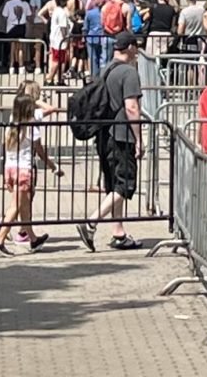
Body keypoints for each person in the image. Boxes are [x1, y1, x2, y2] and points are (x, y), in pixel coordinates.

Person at [79, 32, 148, 252]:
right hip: (121, 134)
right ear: (129, 48)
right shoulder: (129, 73)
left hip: (104, 133)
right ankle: (91, 222)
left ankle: (118, 232)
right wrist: (139, 138)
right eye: (136, 47)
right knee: (126, 183)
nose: (137, 51)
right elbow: (132, 107)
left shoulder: (105, 69)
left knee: (113, 184)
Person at [0, 82, 58, 256]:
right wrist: (35, 101)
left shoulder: (12, 122)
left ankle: (33, 239)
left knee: (23, 206)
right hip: (23, 169)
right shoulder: (31, 124)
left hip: (10, 167)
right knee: (17, 206)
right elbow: (52, 109)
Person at [0, 0, 32, 77]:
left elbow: (4, 15)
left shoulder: (8, 3)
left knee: (12, 47)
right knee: (20, 48)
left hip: (11, 27)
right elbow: (29, 15)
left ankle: (11, 66)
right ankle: (21, 67)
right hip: (21, 26)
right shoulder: (24, 4)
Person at [47, 0, 77, 85]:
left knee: (60, 61)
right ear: (62, 1)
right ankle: (49, 78)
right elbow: (63, 27)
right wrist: (66, 38)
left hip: (55, 39)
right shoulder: (62, 13)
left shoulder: (56, 11)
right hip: (60, 40)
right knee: (57, 61)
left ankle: (59, 79)